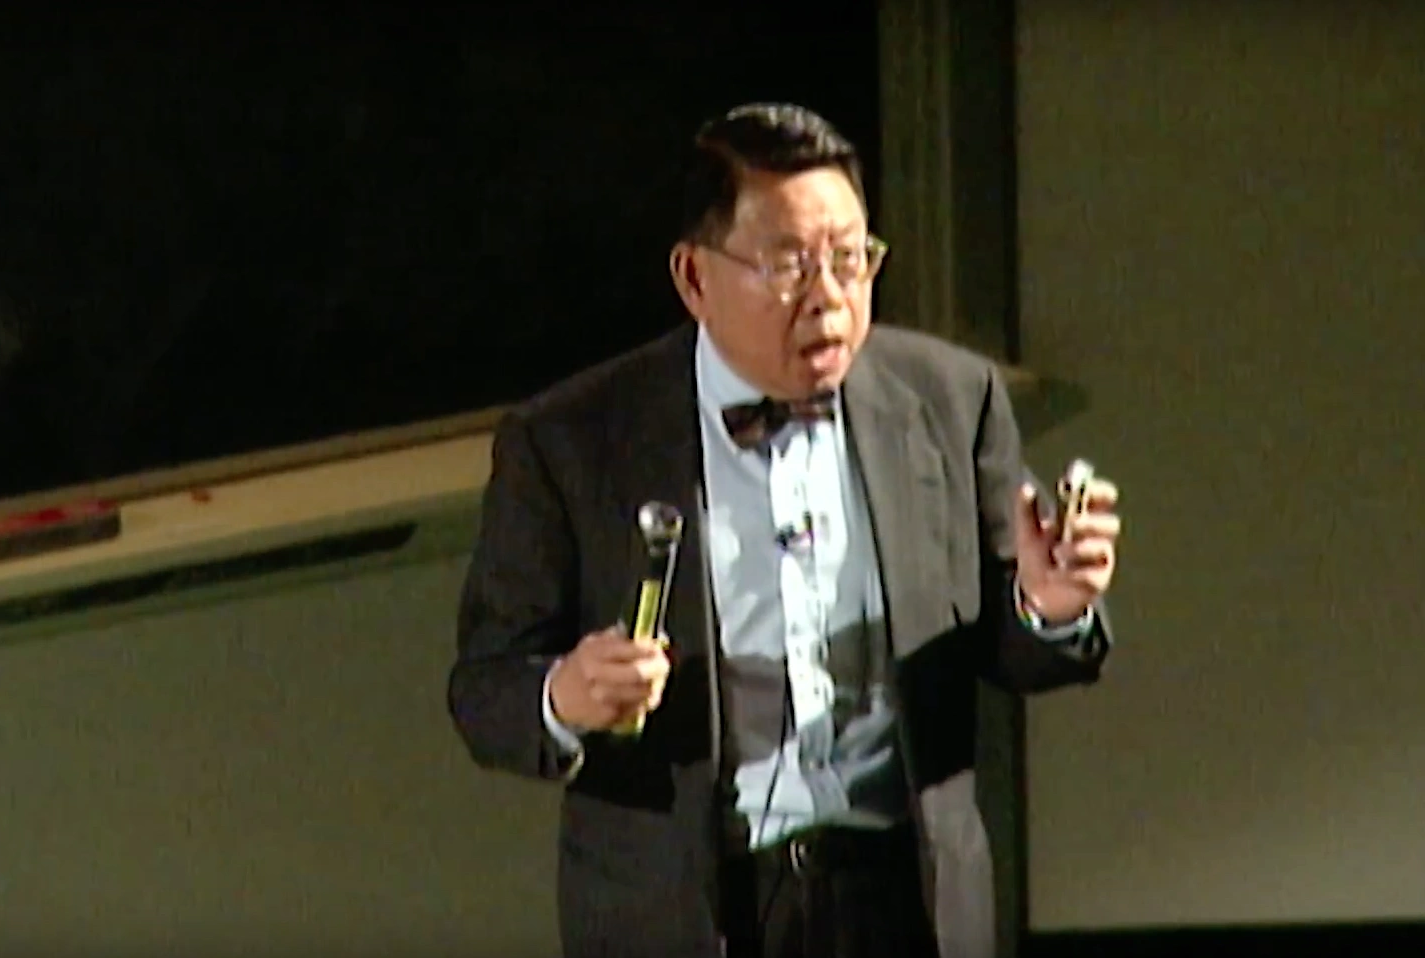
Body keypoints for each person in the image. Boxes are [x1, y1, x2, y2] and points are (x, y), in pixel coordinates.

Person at [448, 102, 1122, 958]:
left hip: (904, 899)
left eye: (850, 259)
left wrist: (1047, 606)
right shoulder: (571, 442)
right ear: (694, 278)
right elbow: (483, 691)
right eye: (789, 265)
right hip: (689, 906)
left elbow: (1006, 645)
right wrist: (565, 699)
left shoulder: (951, 399)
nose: (830, 299)